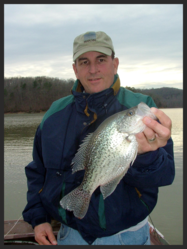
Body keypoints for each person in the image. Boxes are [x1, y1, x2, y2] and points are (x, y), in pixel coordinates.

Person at [22, 31, 175, 245]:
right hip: (70, 235)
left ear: (115, 64)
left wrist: (145, 156)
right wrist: (38, 218)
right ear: (75, 69)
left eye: (101, 60)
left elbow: (166, 176)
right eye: (84, 62)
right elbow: (37, 172)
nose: (93, 69)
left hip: (129, 236)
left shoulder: (143, 108)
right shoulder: (53, 115)